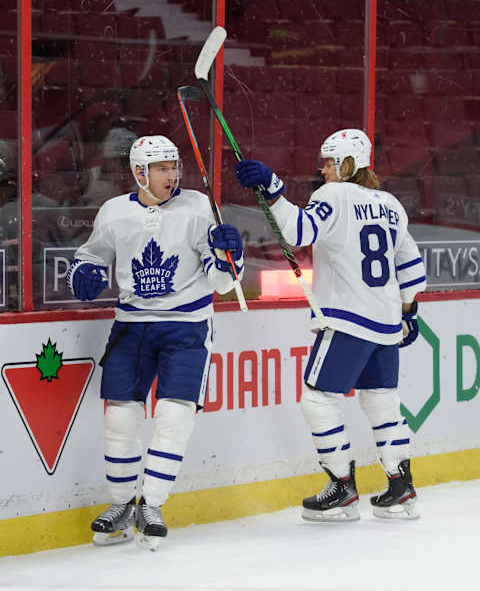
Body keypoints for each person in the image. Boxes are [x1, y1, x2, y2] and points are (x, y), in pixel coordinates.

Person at [235, 128, 426, 522]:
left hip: (347, 318)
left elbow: (297, 231)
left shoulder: (333, 195)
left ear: (347, 163)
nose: (321, 169)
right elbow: (409, 264)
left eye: (328, 161)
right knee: (382, 404)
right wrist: (408, 313)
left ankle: (341, 487)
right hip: (387, 321)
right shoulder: (391, 204)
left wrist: (273, 189)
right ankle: (401, 488)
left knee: (318, 399)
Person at [67, 135, 244, 550]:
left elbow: (223, 282)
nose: (172, 174)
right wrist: (84, 277)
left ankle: (153, 505)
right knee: (121, 419)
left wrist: (228, 254)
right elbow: (88, 257)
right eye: (161, 167)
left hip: (187, 326)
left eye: (174, 165)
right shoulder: (114, 213)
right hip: (131, 326)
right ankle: (122, 505)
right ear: (139, 172)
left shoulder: (199, 208)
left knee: (174, 415)